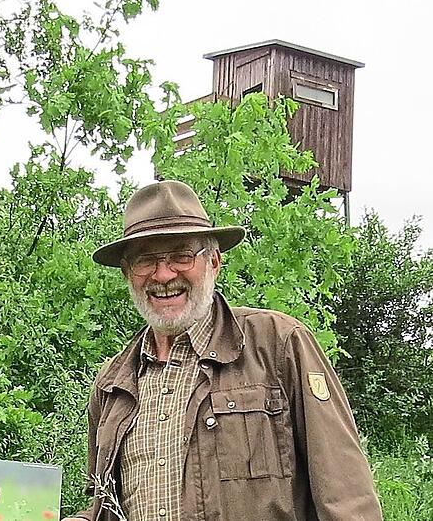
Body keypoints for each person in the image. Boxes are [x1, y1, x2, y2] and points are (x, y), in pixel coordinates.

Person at [64, 180, 381, 521]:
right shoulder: (112, 384)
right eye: (145, 261)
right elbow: (106, 505)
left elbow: (347, 499)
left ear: (214, 261)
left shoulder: (279, 344)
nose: (164, 274)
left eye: (181, 256)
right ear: (127, 273)